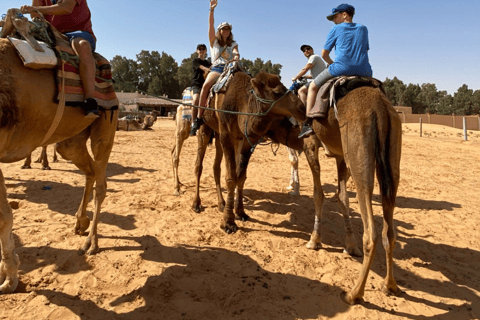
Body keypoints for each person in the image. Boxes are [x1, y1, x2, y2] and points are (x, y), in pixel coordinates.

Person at [298, 3, 372, 138]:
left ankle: (308, 124)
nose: (333, 20)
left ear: (344, 15)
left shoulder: (335, 29)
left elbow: (324, 54)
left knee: (313, 87)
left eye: (335, 17)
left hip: (341, 68)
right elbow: (365, 49)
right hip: (365, 71)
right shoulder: (363, 29)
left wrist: (332, 64)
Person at [21, 0, 99, 119]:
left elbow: (66, 7)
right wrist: (32, 12)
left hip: (77, 32)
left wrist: (35, 9)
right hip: (51, 32)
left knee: (82, 46)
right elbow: (35, 15)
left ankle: (90, 101)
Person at [190, 0, 240, 136]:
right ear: (219, 31)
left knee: (249, 83)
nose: (226, 31)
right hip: (218, 69)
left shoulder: (233, 43)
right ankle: (199, 118)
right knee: (206, 86)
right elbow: (210, 25)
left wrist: (236, 55)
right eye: (223, 29)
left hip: (231, 68)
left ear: (230, 32)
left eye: (228, 29)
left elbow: (236, 51)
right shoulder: (214, 42)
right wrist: (211, 10)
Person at [189, 44, 212, 136]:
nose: (202, 51)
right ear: (197, 51)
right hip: (197, 85)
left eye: (203, 49)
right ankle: (193, 122)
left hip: (207, 86)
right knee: (196, 99)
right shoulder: (195, 61)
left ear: (206, 51)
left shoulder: (209, 62)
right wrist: (207, 69)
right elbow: (201, 67)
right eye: (200, 49)